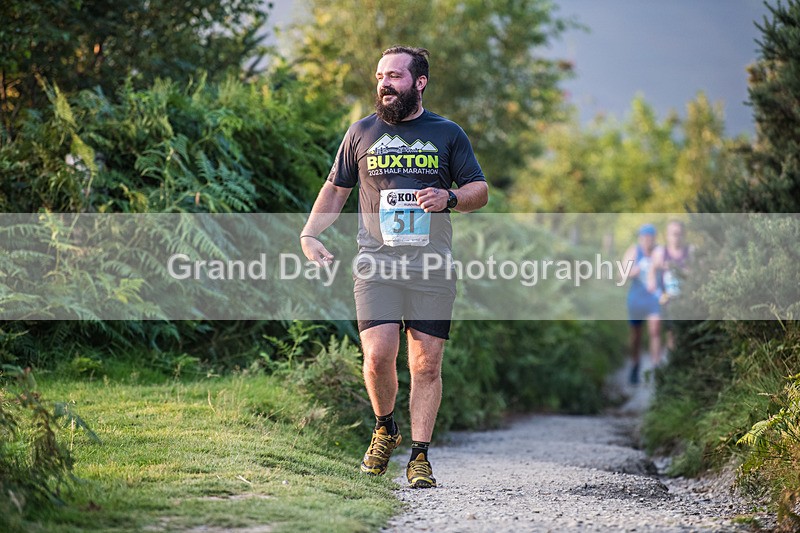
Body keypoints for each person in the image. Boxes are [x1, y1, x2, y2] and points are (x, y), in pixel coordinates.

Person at [299, 46, 489, 488]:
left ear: (419, 82)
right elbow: (335, 190)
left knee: (425, 364)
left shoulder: (447, 134)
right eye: (381, 76)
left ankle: (419, 456)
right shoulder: (361, 132)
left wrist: (451, 198)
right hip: (375, 263)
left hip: (432, 267)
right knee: (379, 355)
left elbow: (479, 189)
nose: (385, 84)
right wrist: (310, 234)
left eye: (396, 77)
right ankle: (385, 427)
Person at [621, 223, 662, 384]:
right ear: (640, 238)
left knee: (655, 330)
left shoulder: (659, 251)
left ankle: (656, 368)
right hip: (636, 298)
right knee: (635, 336)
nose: (646, 240)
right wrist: (634, 271)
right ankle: (635, 363)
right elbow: (621, 275)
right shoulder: (634, 251)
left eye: (649, 237)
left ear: (654, 238)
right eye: (643, 237)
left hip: (654, 298)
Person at [649, 220, 691, 353]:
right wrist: (657, 292)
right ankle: (673, 363)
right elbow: (651, 273)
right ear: (667, 235)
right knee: (671, 333)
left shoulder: (691, 251)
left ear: (684, 234)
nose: (676, 236)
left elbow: (699, 273)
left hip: (687, 301)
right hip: (668, 300)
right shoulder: (660, 252)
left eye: (679, 233)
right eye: (673, 233)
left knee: (686, 334)